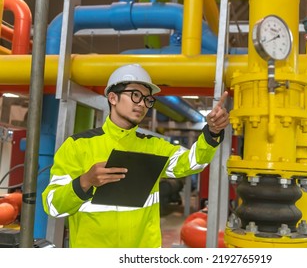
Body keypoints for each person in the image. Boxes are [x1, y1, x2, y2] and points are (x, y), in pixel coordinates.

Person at [42, 64, 230, 248]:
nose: (142, 104)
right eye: (135, 95)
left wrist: (212, 133)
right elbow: (52, 205)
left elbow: (193, 162)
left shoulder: (153, 146)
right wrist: (84, 181)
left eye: (147, 99)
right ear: (113, 98)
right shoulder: (77, 146)